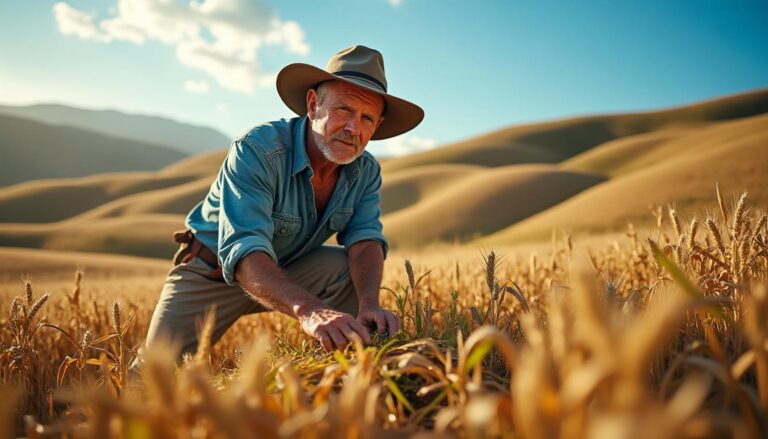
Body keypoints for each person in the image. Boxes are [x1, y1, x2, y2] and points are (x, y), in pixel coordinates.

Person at [141, 45, 424, 358]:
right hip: (211, 271)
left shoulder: (366, 171)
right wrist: (310, 310)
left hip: (289, 270)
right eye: (344, 109)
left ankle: (347, 369)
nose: (353, 128)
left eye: (367, 117)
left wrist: (369, 302)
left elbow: (365, 238)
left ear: (377, 126)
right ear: (313, 105)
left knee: (349, 273)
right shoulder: (258, 150)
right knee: (152, 375)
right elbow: (245, 247)